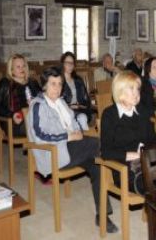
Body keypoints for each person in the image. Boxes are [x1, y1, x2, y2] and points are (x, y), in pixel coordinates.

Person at [28, 67, 117, 233]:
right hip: (54, 154)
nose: (57, 88)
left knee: (98, 165)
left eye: (60, 84)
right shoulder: (38, 106)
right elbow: (39, 135)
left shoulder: (61, 102)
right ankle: (121, 174)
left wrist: (78, 132)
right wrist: (68, 137)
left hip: (72, 150)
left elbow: (74, 122)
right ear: (44, 86)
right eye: (53, 84)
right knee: (99, 144)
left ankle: (103, 214)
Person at [101, 71, 156, 194]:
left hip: (147, 164)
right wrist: (134, 155)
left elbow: (154, 140)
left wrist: (146, 153)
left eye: (137, 89)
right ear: (120, 91)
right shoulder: (109, 115)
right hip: (125, 170)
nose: (136, 93)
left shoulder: (143, 111)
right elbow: (106, 152)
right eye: (131, 88)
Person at [0, 54, 41, 137]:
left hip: (35, 118)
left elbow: (43, 100)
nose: (22, 69)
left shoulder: (33, 83)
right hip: (14, 122)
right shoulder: (5, 83)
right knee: (42, 127)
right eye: (18, 67)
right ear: (11, 70)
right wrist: (12, 115)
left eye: (23, 66)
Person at [60, 52, 92, 124]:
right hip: (65, 110)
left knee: (82, 117)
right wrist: (70, 106)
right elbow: (58, 101)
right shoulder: (59, 80)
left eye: (72, 63)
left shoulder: (78, 80)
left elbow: (86, 98)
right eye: (67, 63)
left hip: (80, 109)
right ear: (63, 64)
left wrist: (81, 105)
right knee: (77, 119)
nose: (70, 65)